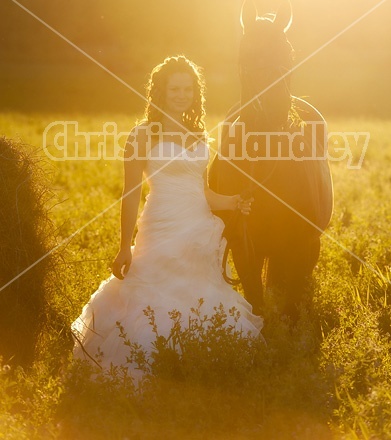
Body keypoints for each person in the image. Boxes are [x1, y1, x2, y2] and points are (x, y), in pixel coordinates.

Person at [71, 55, 263, 378]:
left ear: (194, 93)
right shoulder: (142, 135)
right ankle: (156, 363)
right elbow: (130, 194)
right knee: (155, 294)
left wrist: (234, 202)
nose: (181, 94)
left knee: (199, 295)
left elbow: (202, 192)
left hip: (199, 230)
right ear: (160, 91)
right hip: (161, 226)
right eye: (175, 88)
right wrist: (123, 246)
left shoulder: (198, 134)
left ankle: (196, 364)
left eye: (187, 88)